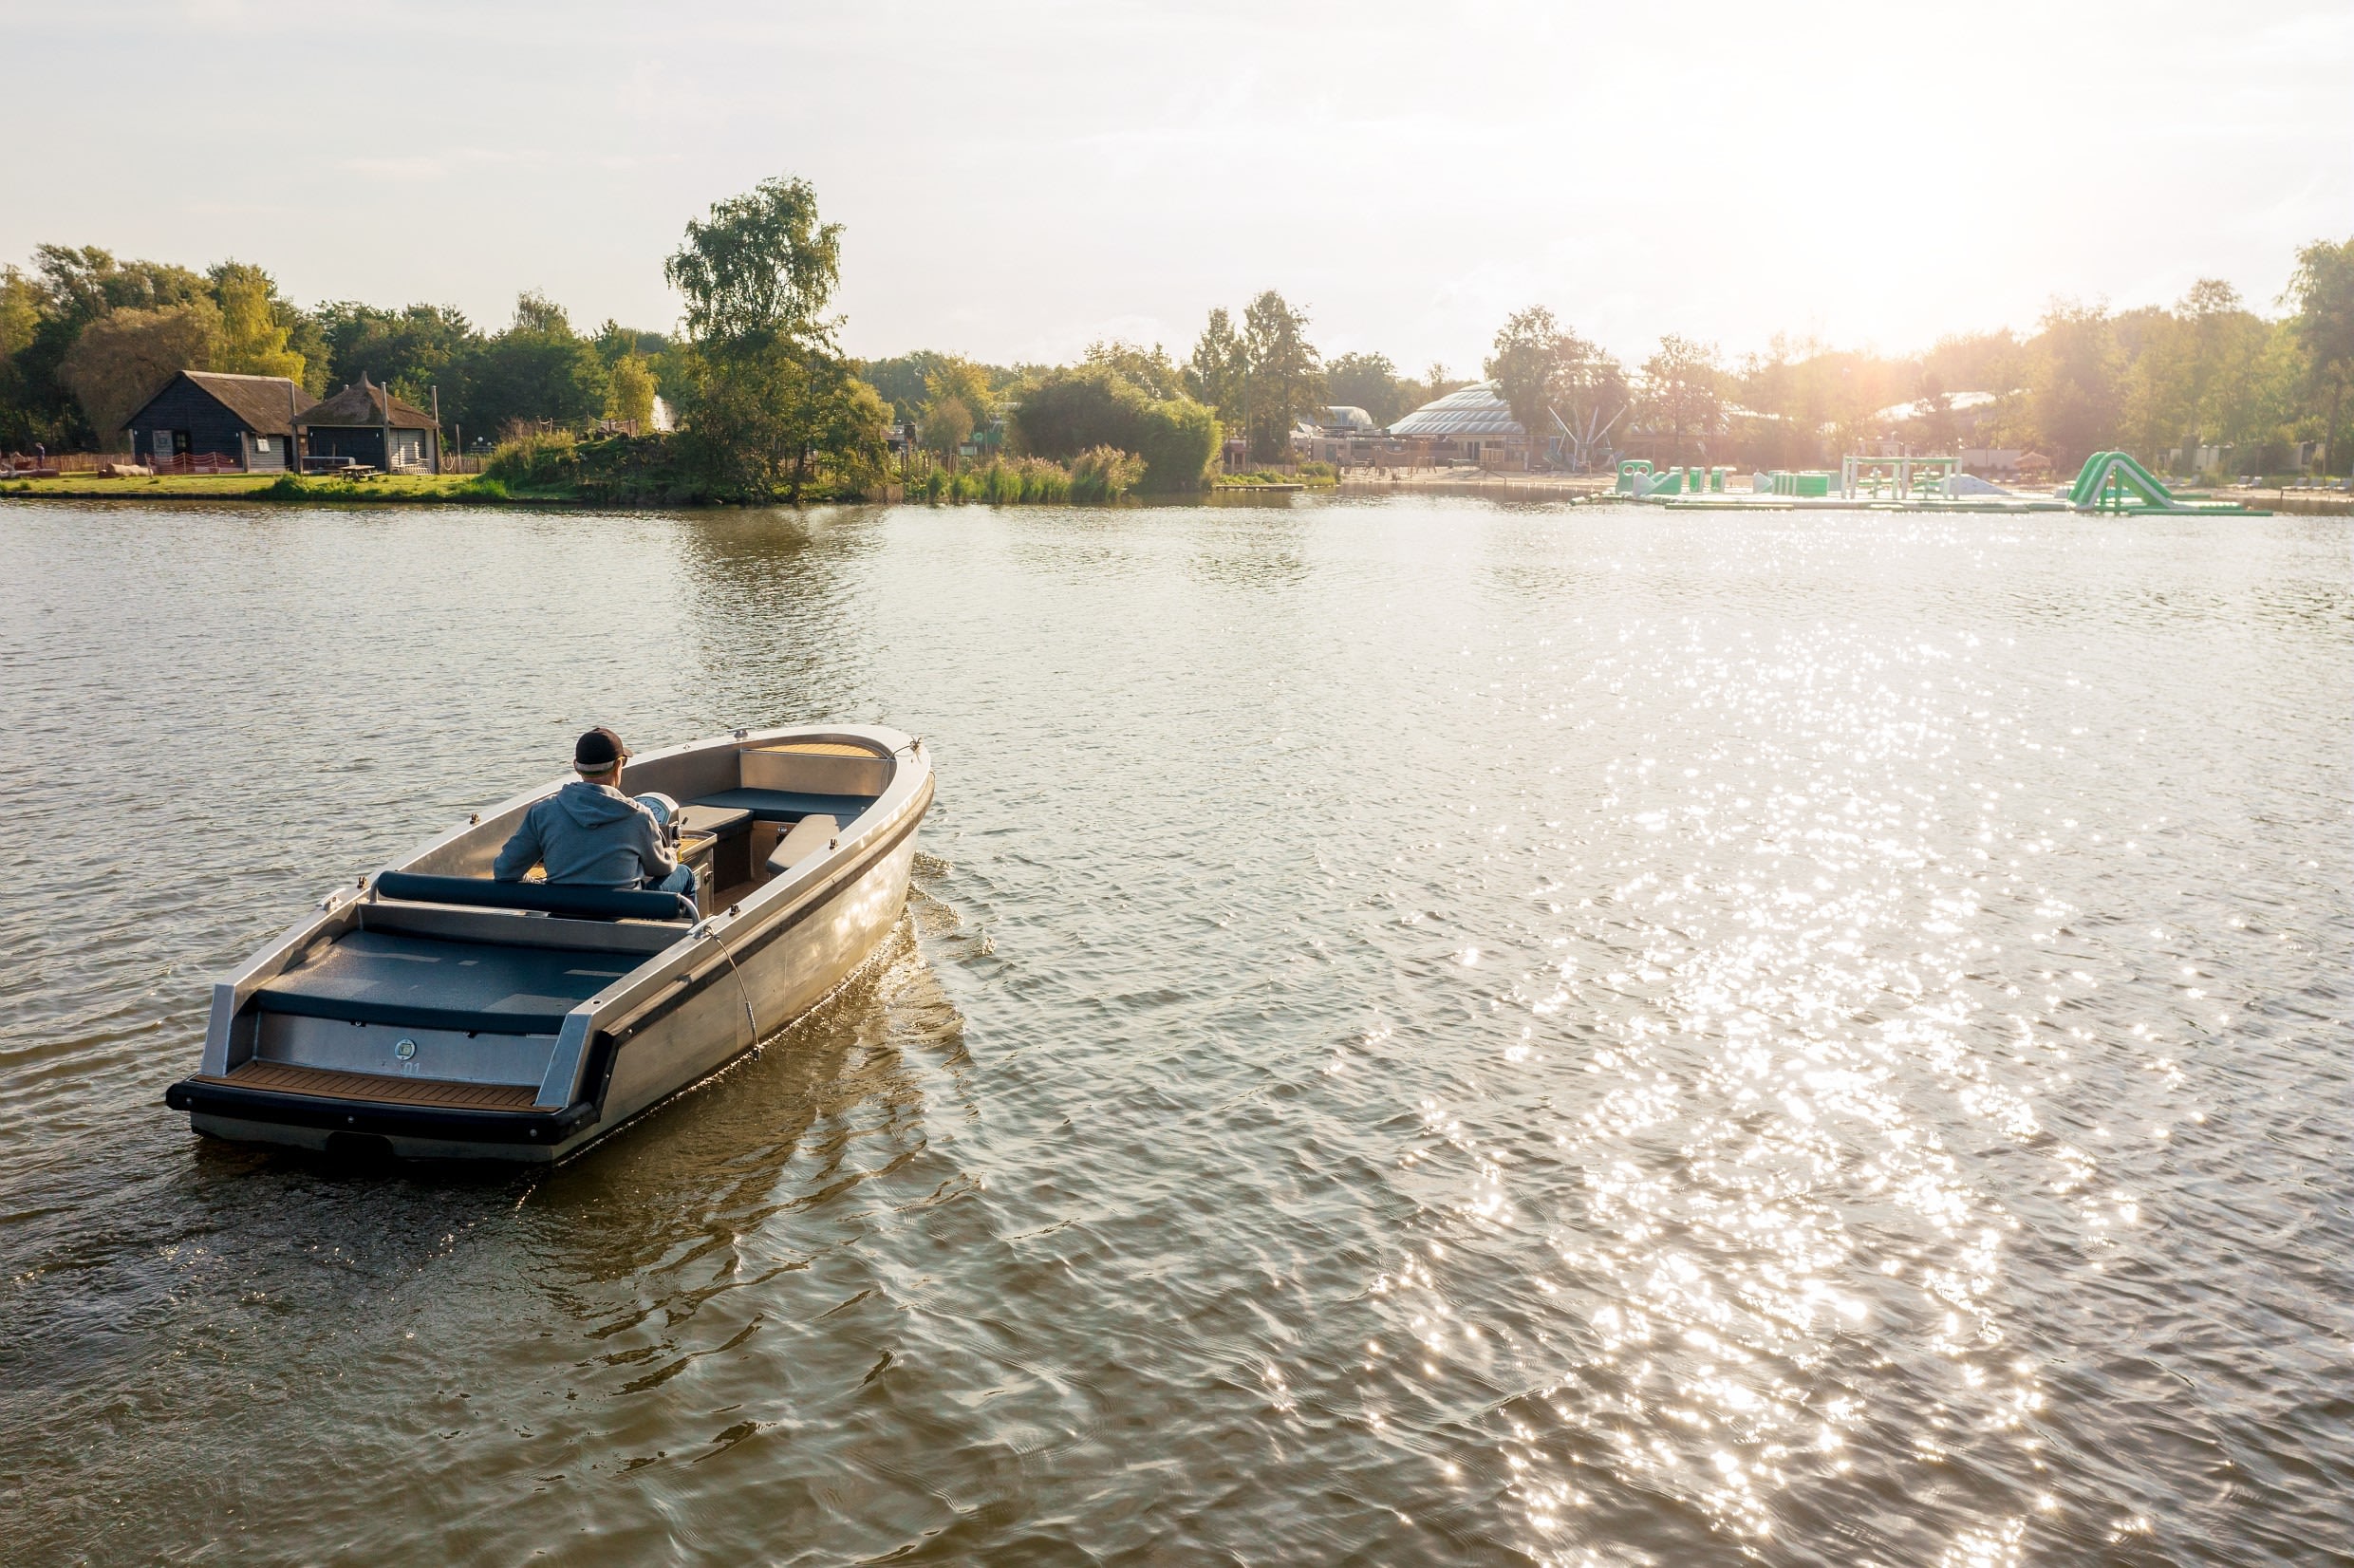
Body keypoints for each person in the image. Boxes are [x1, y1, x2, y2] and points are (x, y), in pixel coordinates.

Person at [493, 727, 698, 905]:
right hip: (625, 913)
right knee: (685, 875)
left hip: (565, 913)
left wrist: (540, 886)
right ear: (619, 765)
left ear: (576, 766)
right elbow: (659, 868)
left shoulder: (543, 811)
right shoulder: (638, 816)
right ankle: (691, 942)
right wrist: (670, 853)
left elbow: (505, 871)